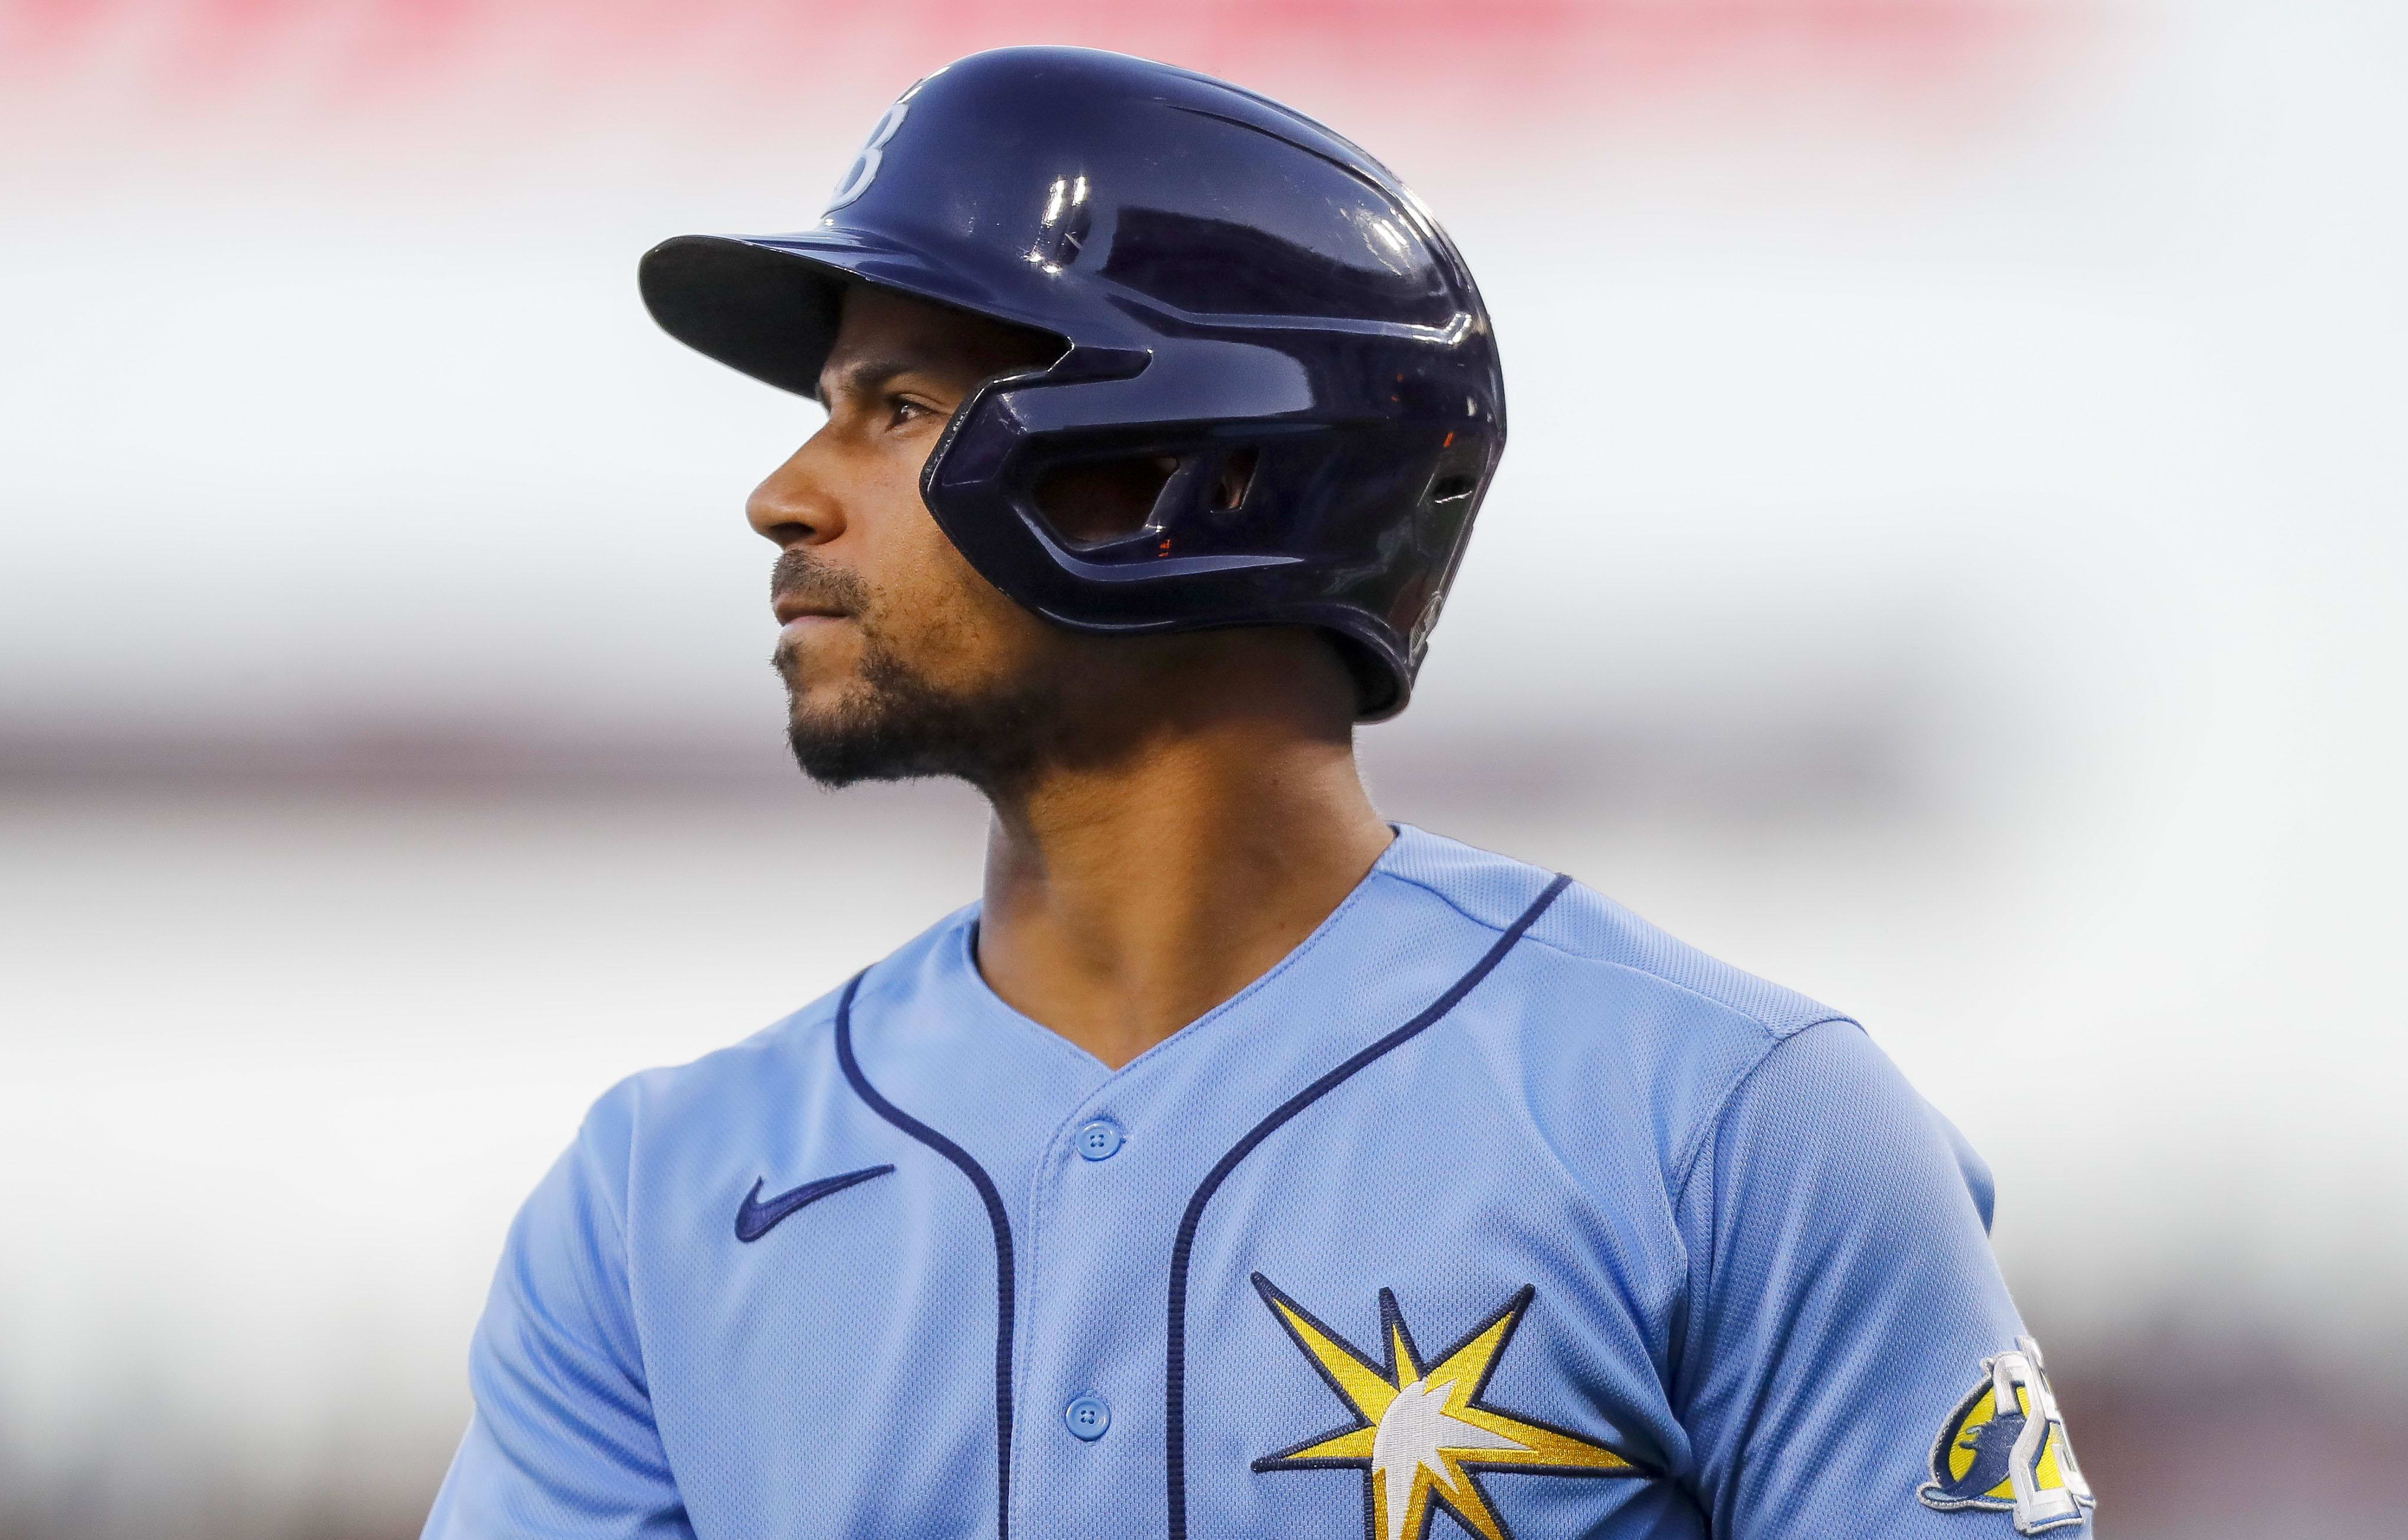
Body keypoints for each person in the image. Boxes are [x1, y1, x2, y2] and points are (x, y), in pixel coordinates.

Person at [421, 45, 2093, 1540]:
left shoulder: (1730, 1127)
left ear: (1199, 472)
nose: (783, 496)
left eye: (901, 406)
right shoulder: (660, 1194)